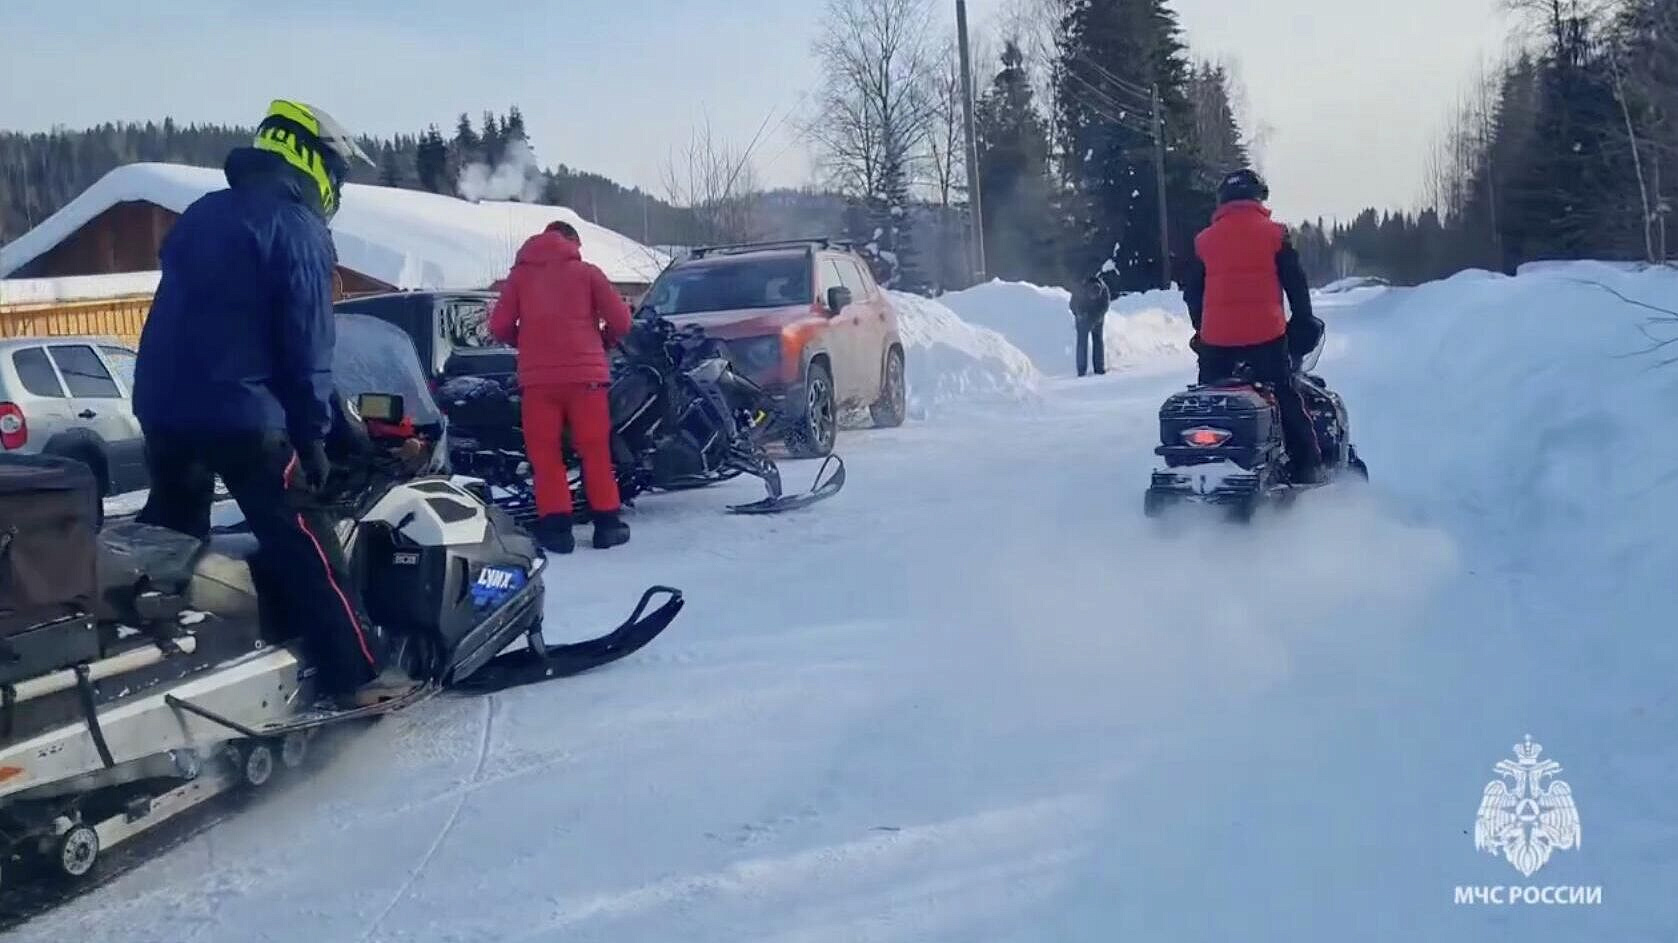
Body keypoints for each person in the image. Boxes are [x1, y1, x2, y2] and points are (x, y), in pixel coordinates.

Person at [133, 99, 415, 707]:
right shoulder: (296, 226)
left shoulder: (204, 214)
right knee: (304, 539)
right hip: (244, 415)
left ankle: (154, 664)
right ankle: (362, 675)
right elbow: (306, 346)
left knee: (171, 546)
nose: (337, 187)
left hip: (161, 406)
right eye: (336, 173)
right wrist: (319, 437)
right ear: (310, 161)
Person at [489, 221, 634, 554]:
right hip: (587, 379)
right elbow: (623, 322)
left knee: (545, 457)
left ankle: (557, 532)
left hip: (538, 382)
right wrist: (602, 341)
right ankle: (607, 526)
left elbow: (499, 327)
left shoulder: (520, 277)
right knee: (595, 451)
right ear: (570, 241)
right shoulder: (588, 273)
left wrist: (527, 343)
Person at [1182, 168, 1325, 483]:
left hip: (1216, 342)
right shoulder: (1274, 235)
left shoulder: (1204, 241)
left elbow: (1192, 291)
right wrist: (1302, 321)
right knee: (1284, 395)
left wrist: (1201, 330)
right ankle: (1308, 467)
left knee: (1211, 398)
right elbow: (1296, 285)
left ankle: (1200, 462)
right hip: (1266, 339)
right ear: (1258, 198)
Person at [1069, 274, 1110, 377]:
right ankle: (1081, 370)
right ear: (1088, 292)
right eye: (1092, 296)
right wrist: (1079, 315)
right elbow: (1073, 305)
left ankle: (1099, 368)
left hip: (1097, 315)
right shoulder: (1080, 289)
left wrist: (1095, 320)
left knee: (1098, 341)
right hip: (1083, 315)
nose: (1093, 299)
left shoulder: (1104, 291)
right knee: (1082, 343)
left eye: (1096, 297)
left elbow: (1104, 307)